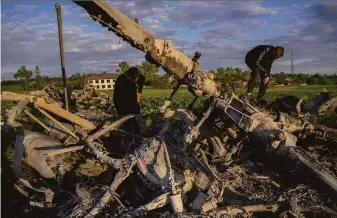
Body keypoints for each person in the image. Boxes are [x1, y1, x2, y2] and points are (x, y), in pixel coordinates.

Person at [113, 67, 145, 137]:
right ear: (128, 75)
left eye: (135, 80)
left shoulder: (138, 76)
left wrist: (139, 93)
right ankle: (129, 138)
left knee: (137, 122)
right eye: (132, 79)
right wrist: (120, 112)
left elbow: (142, 80)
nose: (134, 81)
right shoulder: (121, 80)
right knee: (128, 126)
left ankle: (139, 135)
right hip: (124, 104)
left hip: (133, 103)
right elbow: (116, 98)